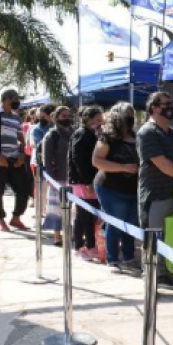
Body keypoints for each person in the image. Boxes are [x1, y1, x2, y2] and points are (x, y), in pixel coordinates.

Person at [137, 91, 173, 290]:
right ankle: (154, 272)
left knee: (172, 234)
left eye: (172, 102)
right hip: (156, 193)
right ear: (154, 108)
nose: (171, 106)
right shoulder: (147, 132)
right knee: (155, 234)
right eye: (166, 103)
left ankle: (166, 270)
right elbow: (160, 162)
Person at [93, 102, 141, 274]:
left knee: (131, 224)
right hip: (110, 187)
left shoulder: (137, 137)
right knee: (115, 222)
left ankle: (128, 258)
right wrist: (123, 167)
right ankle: (113, 259)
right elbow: (97, 161)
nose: (129, 117)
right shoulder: (107, 137)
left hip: (132, 189)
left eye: (131, 113)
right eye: (126, 114)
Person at [0, 88, 32, 232]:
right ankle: (0, 219)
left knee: (24, 188)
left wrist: (22, 154)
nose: (18, 102)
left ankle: (16, 218)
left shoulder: (16, 118)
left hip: (14, 159)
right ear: (6, 99)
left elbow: (21, 139)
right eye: (15, 99)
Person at [70, 105, 104, 261]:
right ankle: (78, 246)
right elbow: (79, 161)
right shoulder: (81, 134)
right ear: (88, 119)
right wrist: (88, 182)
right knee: (83, 215)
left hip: (89, 180)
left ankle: (91, 245)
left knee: (91, 215)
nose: (100, 122)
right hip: (82, 181)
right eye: (97, 120)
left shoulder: (92, 134)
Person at [41, 106, 74, 246]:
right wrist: (50, 178)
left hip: (72, 177)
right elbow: (46, 158)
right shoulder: (51, 135)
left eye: (68, 116)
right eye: (63, 116)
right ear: (56, 117)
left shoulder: (74, 133)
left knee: (71, 207)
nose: (66, 119)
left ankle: (69, 233)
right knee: (56, 207)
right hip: (57, 177)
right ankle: (56, 236)